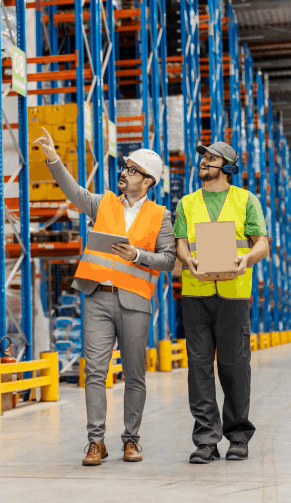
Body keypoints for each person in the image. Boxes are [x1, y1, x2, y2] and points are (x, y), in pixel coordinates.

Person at [32, 127, 176, 466]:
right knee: (94, 371)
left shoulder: (160, 216)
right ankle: (95, 442)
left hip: (135, 302)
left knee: (134, 374)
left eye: (133, 170)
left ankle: (131, 440)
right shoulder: (104, 203)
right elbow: (73, 191)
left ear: (148, 181)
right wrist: (53, 158)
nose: (124, 173)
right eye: (126, 168)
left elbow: (169, 259)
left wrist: (137, 255)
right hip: (97, 297)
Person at [174, 142, 270, 464]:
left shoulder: (246, 200)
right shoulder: (186, 203)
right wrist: (187, 260)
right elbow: (181, 244)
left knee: (235, 367)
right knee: (199, 368)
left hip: (234, 292)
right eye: (203, 157)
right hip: (196, 293)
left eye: (211, 158)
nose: (203, 162)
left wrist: (246, 259)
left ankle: (238, 436)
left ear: (228, 167)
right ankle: (206, 440)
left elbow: (262, 245)